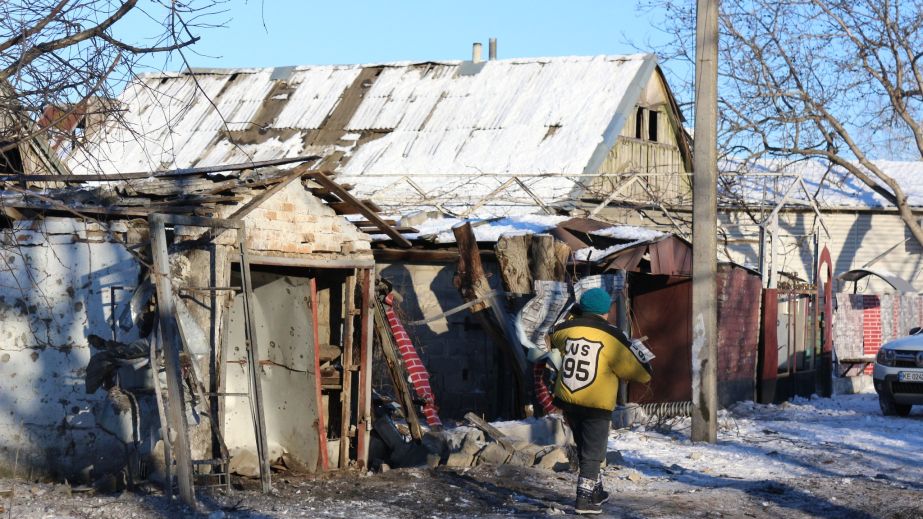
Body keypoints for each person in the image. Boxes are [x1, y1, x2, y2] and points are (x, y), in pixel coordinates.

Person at [550, 288, 653, 515]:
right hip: (595, 403)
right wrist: (644, 361)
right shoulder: (613, 337)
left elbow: (554, 336)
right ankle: (584, 501)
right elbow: (641, 374)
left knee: (585, 447)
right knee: (593, 454)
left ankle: (596, 492)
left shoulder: (565, 330)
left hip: (568, 399)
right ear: (606, 310)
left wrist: (575, 316)